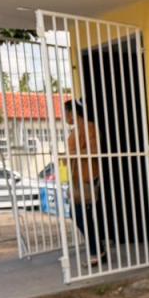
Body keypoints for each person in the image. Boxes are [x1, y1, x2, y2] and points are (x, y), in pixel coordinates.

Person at [63, 98, 105, 267]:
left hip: (88, 177)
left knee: (80, 215)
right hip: (77, 178)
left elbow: (96, 150)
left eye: (66, 113)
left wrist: (73, 153)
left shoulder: (89, 127)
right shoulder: (75, 131)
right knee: (79, 215)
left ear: (73, 113)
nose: (65, 117)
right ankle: (98, 250)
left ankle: (97, 251)